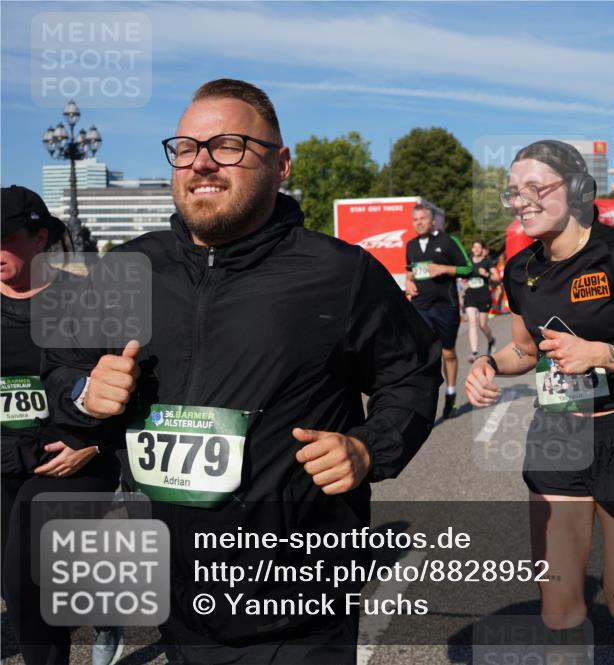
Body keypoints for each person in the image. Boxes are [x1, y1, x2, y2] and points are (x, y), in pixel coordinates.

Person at [41, 79, 442, 664]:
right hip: (176, 600)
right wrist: (84, 394)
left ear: (281, 165)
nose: (201, 163)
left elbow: (411, 375)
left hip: (298, 607)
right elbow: (62, 369)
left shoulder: (340, 274)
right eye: (185, 148)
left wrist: (368, 448)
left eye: (228, 145)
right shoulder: (129, 269)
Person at [465, 141, 614, 664]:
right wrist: (488, 365)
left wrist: (601, 354)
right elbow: (525, 349)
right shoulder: (520, 269)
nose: (521, 201)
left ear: (574, 189)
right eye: (513, 191)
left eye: (535, 188)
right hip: (558, 432)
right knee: (559, 609)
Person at [1, 185, 124, 665]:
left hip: (73, 458)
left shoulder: (87, 300)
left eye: (6, 238)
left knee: (25, 581)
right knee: (17, 580)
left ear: (40, 237)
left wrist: (96, 444)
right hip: (6, 458)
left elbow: (130, 385)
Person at [405, 204, 472, 419]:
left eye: (423, 218)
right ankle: (422, 399)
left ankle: (450, 394)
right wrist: (408, 282)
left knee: (447, 353)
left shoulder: (448, 241)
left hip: (445, 306)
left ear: (433, 220)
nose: (419, 222)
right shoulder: (410, 245)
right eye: (415, 219)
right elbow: (410, 271)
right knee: (422, 354)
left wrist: (444, 268)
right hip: (420, 307)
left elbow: (468, 268)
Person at [462, 238, 499, 363]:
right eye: (474, 247)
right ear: (472, 249)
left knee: (482, 325)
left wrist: (486, 274)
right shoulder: (468, 262)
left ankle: (491, 340)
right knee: (472, 322)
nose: (476, 249)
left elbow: (497, 277)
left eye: (479, 247)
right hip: (470, 295)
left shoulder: (487, 262)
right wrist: (464, 283)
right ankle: (475, 353)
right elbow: (463, 277)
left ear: (482, 249)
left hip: (483, 295)